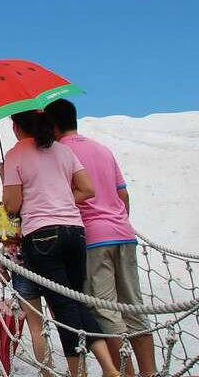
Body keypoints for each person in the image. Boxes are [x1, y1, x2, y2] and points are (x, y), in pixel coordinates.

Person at [2, 110, 119, 377]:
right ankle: (109, 367)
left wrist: (6, 180)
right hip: (75, 231)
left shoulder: (15, 154)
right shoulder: (63, 150)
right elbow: (88, 189)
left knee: (63, 308)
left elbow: (13, 205)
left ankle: (78, 373)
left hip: (42, 235)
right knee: (77, 301)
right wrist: (60, 199)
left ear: (17, 127)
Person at [45, 99, 157, 377]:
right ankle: (150, 372)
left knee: (105, 311)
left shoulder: (59, 154)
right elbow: (123, 194)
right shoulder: (103, 149)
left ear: (53, 126)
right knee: (134, 308)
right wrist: (119, 221)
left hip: (93, 239)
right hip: (124, 234)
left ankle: (125, 374)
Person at [0, 200, 54, 377]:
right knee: (64, 319)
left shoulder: (5, 205)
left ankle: (48, 374)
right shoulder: (39, 199)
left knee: (36, 328)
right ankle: (77, 371)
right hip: (49, 259)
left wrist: (3, 264)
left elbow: (9, 238)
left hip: (20, 266)